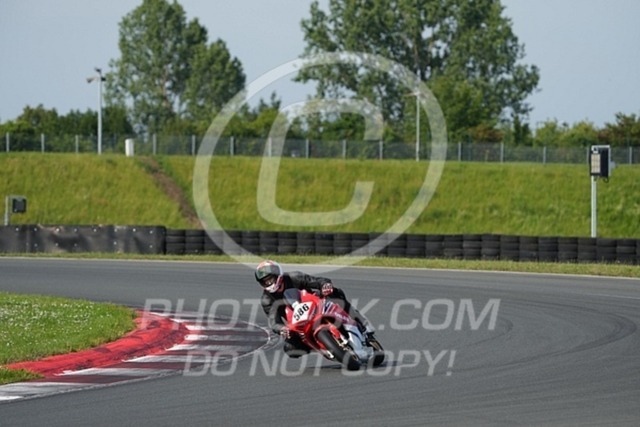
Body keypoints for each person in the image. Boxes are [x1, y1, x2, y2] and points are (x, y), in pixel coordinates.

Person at [255, 259, 376, 358]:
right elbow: (274, 321)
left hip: (315, 303)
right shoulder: (267, 300)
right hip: (297, 320)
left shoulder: (294, 277)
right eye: (265, 282)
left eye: (270, 279)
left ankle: (361, 323)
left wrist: (325, 286)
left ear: (278, 275)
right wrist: (282, 329)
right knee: (290, 348)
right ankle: (320, 346)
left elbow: (317, 281)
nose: (268, 283)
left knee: (335, 293)